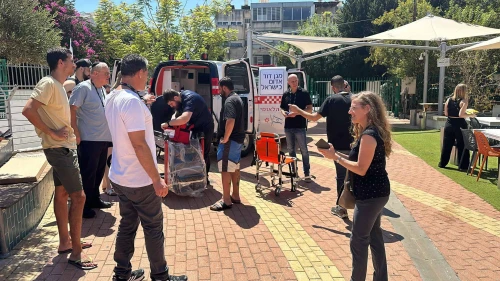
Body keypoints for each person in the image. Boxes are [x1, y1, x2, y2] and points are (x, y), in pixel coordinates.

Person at [105, 54, 187, 281]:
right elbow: (139, 144)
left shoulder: (113, 96)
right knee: (152, 228)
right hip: (138, 179)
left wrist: (142, 103)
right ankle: (160, 276)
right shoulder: (131, 102)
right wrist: (156, 179)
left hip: (120, 176)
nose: (148, 79)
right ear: (140, 73)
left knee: (127, 226)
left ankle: (121, 274)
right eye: (147, 74)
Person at [22, 48, 97, 270]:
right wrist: (53, 132)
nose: (75, 65)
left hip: (63, 147)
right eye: (72, 61)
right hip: (59, 149)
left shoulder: (57, 86)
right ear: (61, 62)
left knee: (62, 192)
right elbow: (28, 110)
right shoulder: (47, 83)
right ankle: (76, 253)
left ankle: (66, 242)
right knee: (79, 197)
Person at [318, 91, 392, 281]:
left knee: (358, 241)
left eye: (354, 108)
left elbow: (360, 168)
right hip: (375, 193)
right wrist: (335, 155)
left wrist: (335, 158)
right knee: (374, 237)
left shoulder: (369, 135)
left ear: (367, 109)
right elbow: (358, 162)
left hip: (371, 196)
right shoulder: (370, 131)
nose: (350, 111)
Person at [289, 75, 353, 219]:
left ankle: (342, 208)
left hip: (337, 146)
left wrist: (298, 110)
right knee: (356, 175)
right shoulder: (355, 99)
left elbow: (313, 118)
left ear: (333, 87)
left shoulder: (331, 100)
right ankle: (361, 207)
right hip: (355, 144)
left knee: (341, 177)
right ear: (345, 85)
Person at [69, 63, 113, 218]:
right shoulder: (83, 88)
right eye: (105, 73)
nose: (108, 76)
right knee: (88, 174)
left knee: (98, 172)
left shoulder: (101, 89)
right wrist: (75, 132)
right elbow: (71, 109)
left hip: (102, 139)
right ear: (94, 73)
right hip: (89, 139)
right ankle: (84, 206)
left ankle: (94, 199)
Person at [161, 89, 214, 185]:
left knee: (204, 153)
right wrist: (173, 121)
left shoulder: (190, 98)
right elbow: (176, 114)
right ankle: (193, 176)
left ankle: (205, 179)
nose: (171, 106)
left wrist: (168, 123)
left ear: (176, 98)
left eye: (171, 103)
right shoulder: (180, 100)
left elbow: (184, 119)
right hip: (195, 127)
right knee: (193, 153)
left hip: (205, 127)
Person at [210, 77, 245, 211]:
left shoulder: (229, 101)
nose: (219, 91)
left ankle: (226, 200)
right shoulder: (238, 98)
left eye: (219, 88)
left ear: (224, 87)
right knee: (235, 167)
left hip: (230, 141)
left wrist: (225, 138)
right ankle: (235, 196)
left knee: (225, 169)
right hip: (238, 139)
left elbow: (230, 120)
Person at [279, 74, 313, 181]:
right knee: (290, 150)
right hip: (288, 126)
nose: (295, 83)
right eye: (292, 81)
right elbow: (281, 108)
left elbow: (310, 109)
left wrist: (297, 113)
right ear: (288, 83)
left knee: (304, 150)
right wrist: (284, 113)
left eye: (296, 81)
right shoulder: (285, 94)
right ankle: (294, 172)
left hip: (300, 126)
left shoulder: (304, 93)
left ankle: (306, 173)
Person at [439, 83, 476, 169]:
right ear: (464, 92)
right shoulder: (464, 101)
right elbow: (461, 114)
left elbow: (446, 113)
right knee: (462, 145)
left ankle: (442, 163)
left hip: (449, 123)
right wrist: (471, 115)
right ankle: (463, 165)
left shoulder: (448, 100)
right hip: (459, 124)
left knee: (447, 144)